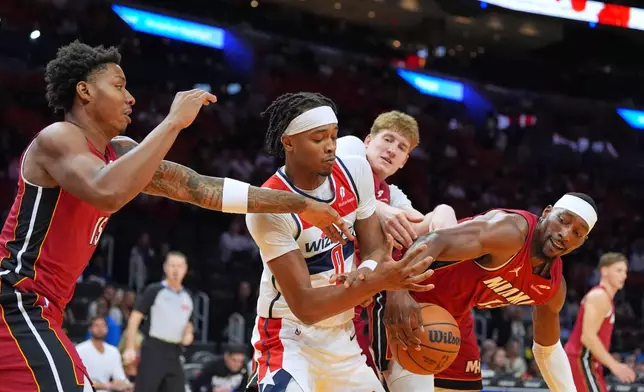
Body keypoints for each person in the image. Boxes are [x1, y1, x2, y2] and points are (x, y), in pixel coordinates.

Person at [0, 41, 352, 392]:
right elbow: (106, 193)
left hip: (44, 310)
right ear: (85, 91)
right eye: (119, 86)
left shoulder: (119, 152)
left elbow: (197, 187)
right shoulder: (58, 137)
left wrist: (299, 204)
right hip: (15, 299)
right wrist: (173, 122)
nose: (131, 97)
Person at [245, 92, 435, 392]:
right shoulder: (268, 209)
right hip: (290, 336)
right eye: (319, 138)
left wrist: (367, 270)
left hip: (342, 336)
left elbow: (373, 248)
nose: (330, 146)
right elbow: (306, 306)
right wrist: (374, 282)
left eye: (333, 136)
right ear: (289, 143)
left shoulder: (356, 170)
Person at [338, 192, 598, 392]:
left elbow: (548, 351)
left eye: (577, 232)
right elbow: (435, 240)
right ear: (547, 213)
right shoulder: (511, 232)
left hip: (455, 317)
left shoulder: (553, 288)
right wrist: (397, 289)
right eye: (562, 221)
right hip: (411, 292)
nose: (565, 233)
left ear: (582, 242)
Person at [335, 113, 457, 376]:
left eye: (402, 147)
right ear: (368, 141)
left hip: (353, 307)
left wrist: (443, 213)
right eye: (387, 139)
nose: (392, 150)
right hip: (318, 291)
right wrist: (377, 208)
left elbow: (418, 226)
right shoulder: (349, 149)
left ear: (404, 161)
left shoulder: (394, 195)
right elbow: (335, 180)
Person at [122, 251, 193, 392]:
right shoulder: (154, 290)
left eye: (179, 266)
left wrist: (188, 334)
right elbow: (134, 319)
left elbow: (188, 322)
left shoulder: (187, 296)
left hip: (175, 352)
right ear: (165, 267)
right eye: (172, 265)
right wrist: (129, 347)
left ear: (185, 269)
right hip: (154, 349)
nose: (175, 270)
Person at [565, 252, 635, 391]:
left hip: (588, 361)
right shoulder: (599, 296)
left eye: (625, 272)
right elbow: (588, 337)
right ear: (604, 271)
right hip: (580, 359)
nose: (624, 276)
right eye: (619, 270)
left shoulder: (605, 297)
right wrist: (615, 365)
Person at [76, 317, 131, 392]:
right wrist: (107, 385)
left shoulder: (113, 351)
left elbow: (120, 377)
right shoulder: (80, 350)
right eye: (97, 325)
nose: (100, 329)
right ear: (90, 329)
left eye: (103, 325)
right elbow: (78, 381)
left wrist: (126, 386)